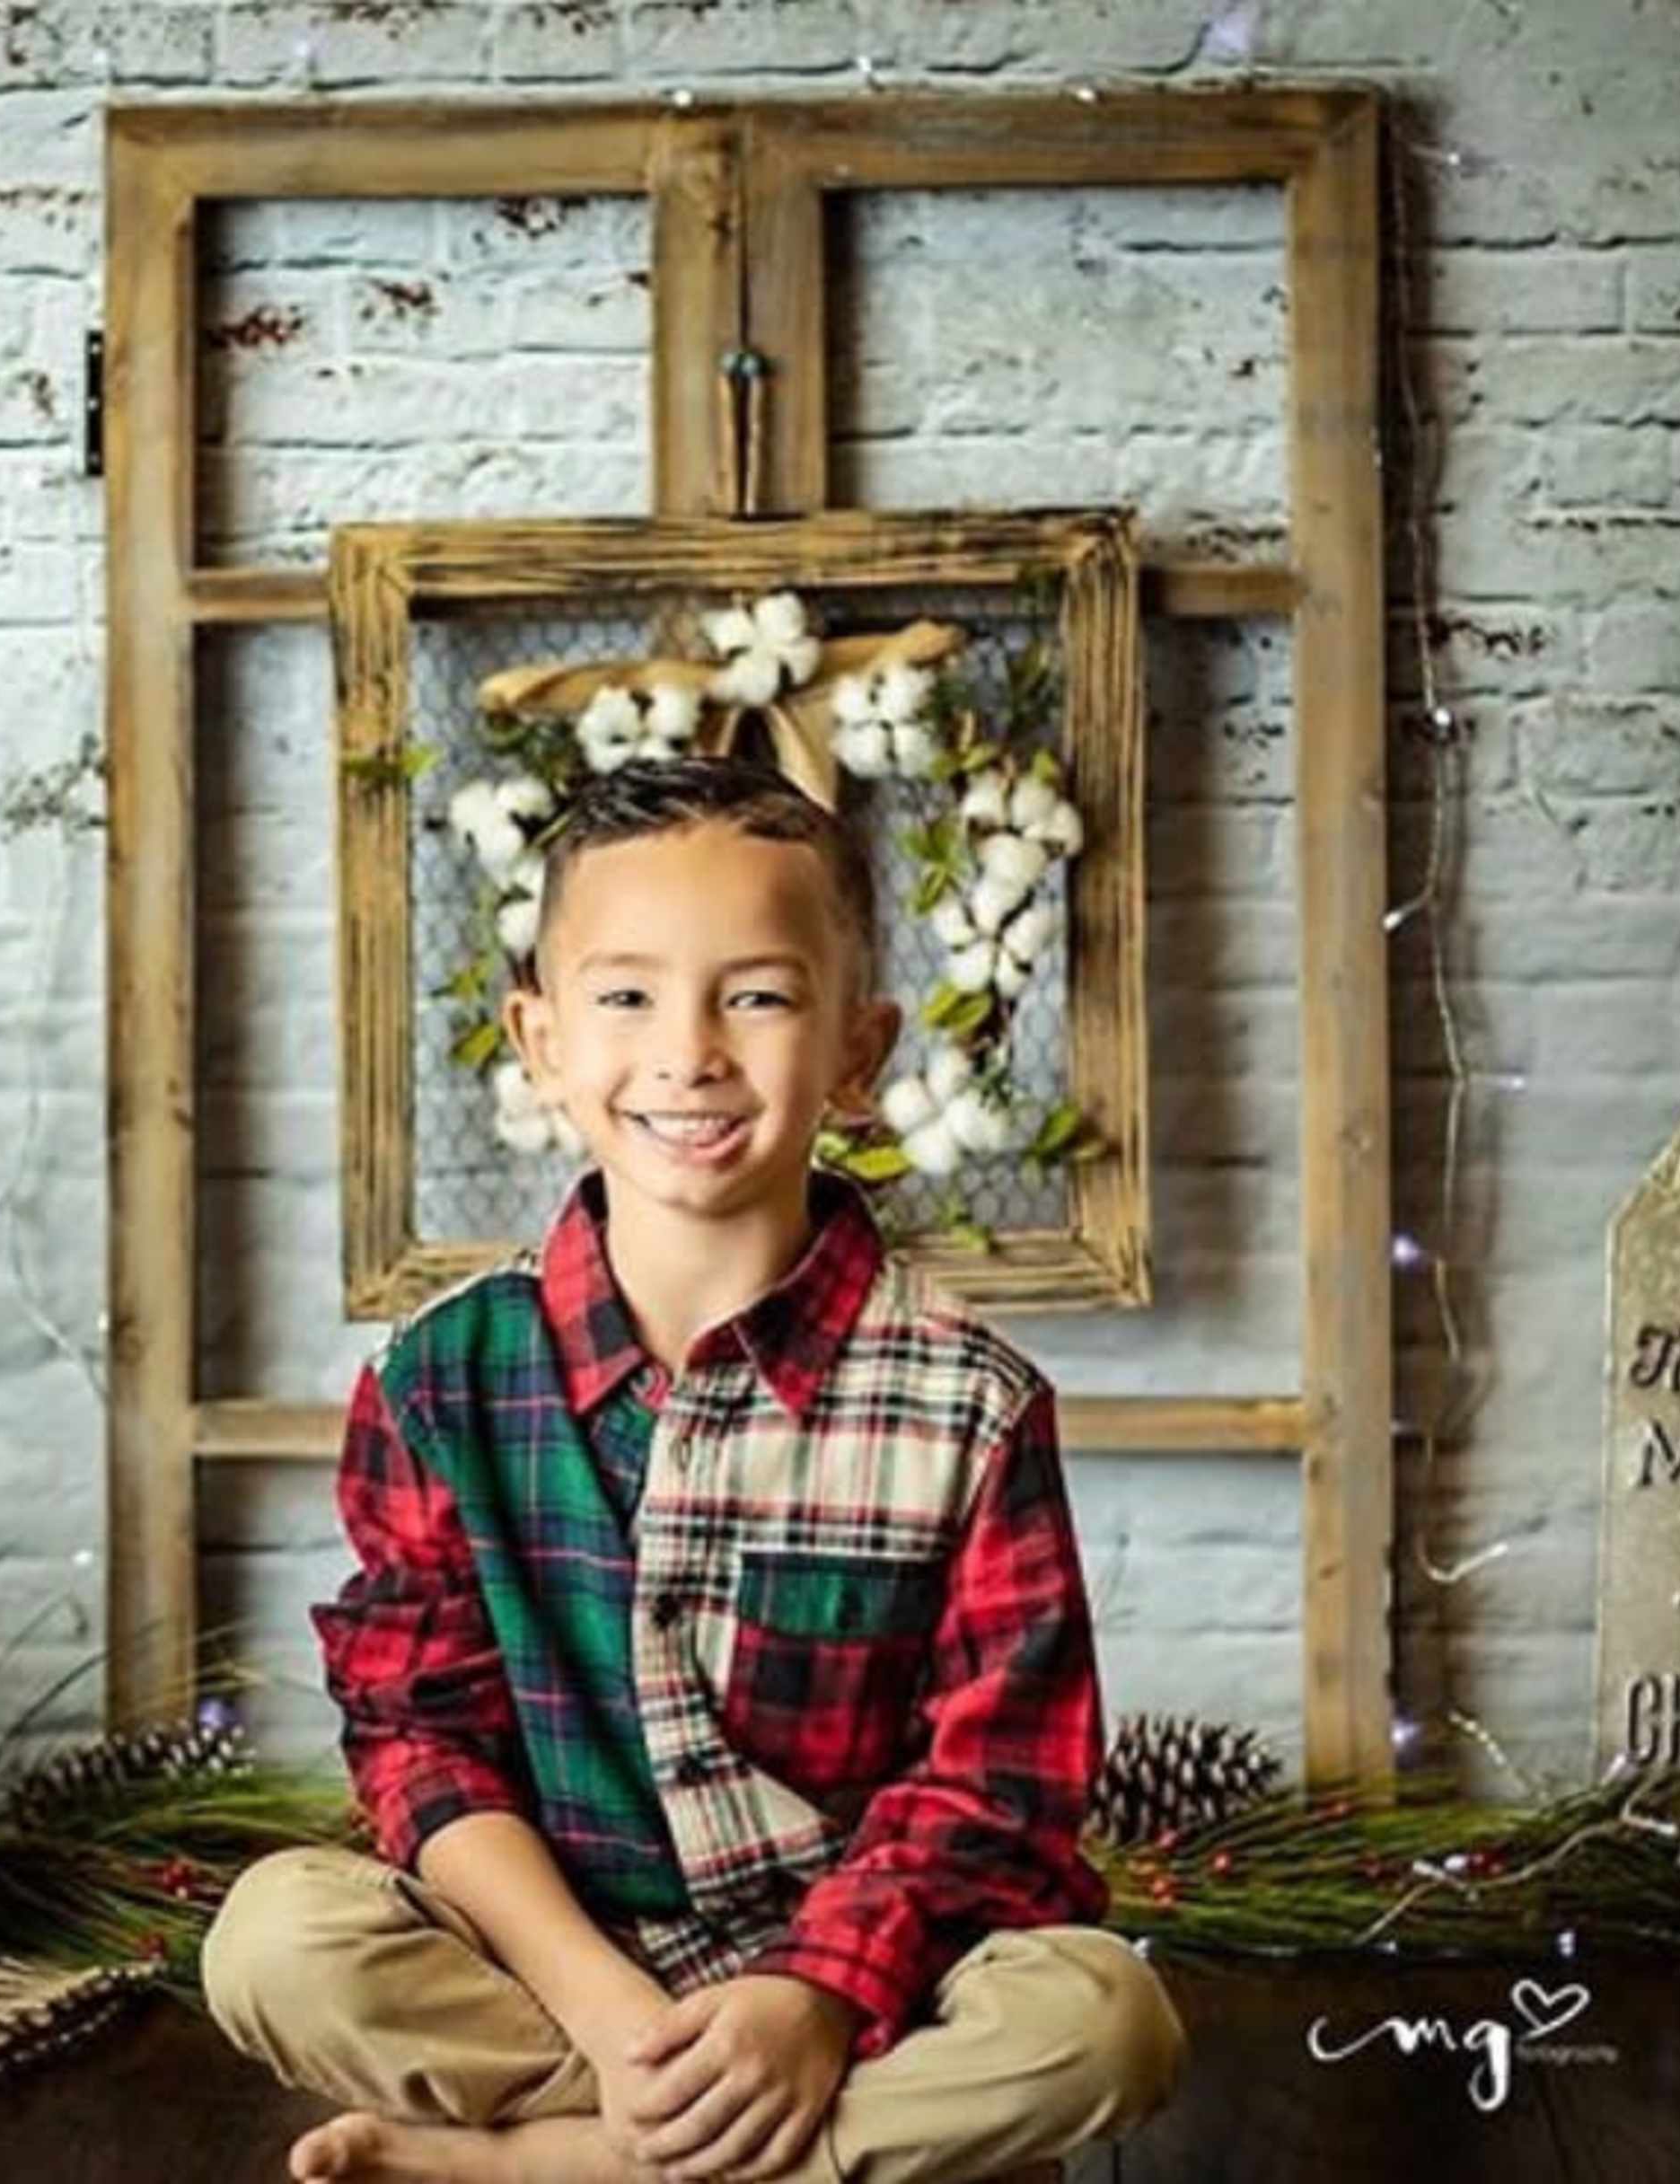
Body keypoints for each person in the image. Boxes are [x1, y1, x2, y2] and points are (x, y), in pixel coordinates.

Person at [204, 755, 1187, 2183]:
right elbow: (423, 1745)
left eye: (760, 996)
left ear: (859, 1051)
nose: (691, 1052)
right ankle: (747, 2149)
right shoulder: (440, 1383)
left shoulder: (967, 1402)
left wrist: (813, 1997)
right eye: (626, 997)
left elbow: (996, 1788)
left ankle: (548, 2169)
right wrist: (610, 2018)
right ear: (538, 1039)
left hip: (864, 1989)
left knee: (1106, 2022)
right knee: (274, 1942)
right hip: (556, 1974)